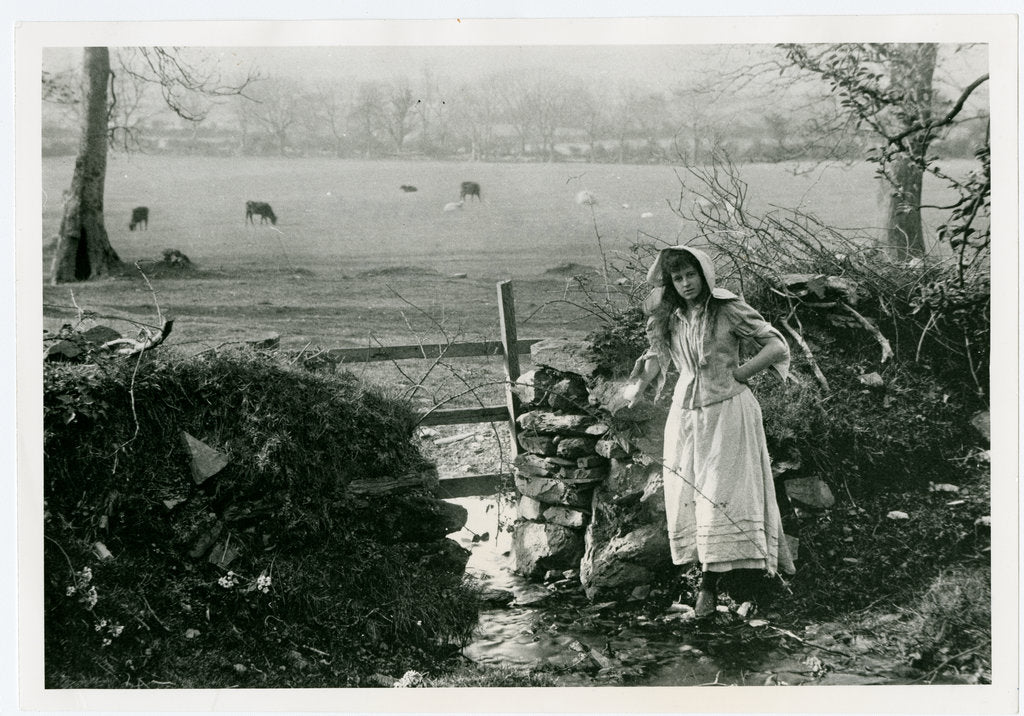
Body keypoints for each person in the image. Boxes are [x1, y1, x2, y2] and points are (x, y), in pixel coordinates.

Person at [618, 245, 795, 617]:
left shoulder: (728, 309)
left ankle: (710, 588)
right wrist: (634, 390)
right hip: (685, 416)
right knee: (690, 491)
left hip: (728, 413)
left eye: (691, 275)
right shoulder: (670, 315)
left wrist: (743, 373)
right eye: (678, 278)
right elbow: (657, 358)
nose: (685, 283)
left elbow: (776, 344)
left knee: (722, 492)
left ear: (704, 274)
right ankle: (719, 575)